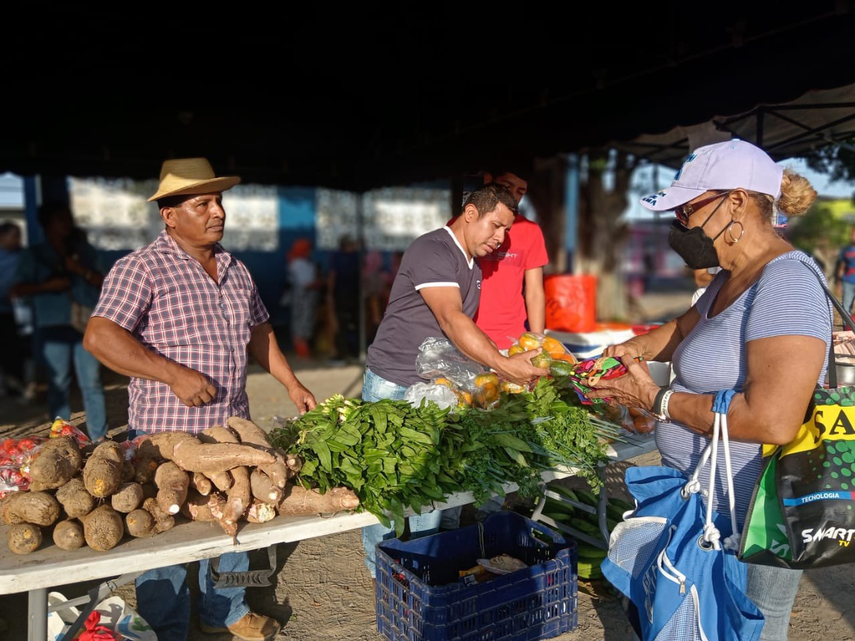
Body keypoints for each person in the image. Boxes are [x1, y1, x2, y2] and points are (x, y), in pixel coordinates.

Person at [588, 140, 827, 641]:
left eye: (689, 207)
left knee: (744, 629)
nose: (680, 222)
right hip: (704, 502)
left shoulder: (787, 282)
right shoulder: (731, 278)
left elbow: (773, 420)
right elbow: (680, 334)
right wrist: (621, 355)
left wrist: (656, 401)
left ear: (736, 202)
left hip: (752, 523)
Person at [83, 157, 317, 641]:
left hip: (232, 428)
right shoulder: (141, 268)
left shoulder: (235, 267)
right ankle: (167, 627)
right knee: (166, 530)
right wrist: (171, 374)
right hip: (169, 436)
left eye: (219, 201)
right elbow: (100, 337)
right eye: (202, 203)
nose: (218, 212)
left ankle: (224, 612)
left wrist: (292, 383)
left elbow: (260, 331)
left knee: (233, 519)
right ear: (169, 214)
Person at [360, 183, 548, 578]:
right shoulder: (433, 250)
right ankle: (382, 574)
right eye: (495, 227)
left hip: (432, 389)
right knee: (385, 486)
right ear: (470, 214)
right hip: (394, 383)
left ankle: (421, 568)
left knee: (429, 485)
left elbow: (454, 337)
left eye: (505, 233)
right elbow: (450, 318)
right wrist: (500, 364)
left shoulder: (472, 265)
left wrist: (497, 366)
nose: (500, 239)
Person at [12, 203, 108, 440]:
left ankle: (100, 438)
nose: (66, 223)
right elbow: (17, 289)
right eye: (60, 219)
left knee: (92, 383)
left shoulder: (84, 251)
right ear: (47, 225)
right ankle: (63, 439)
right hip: (53, 327)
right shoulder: (34, 254)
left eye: (68, 219)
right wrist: (47, 286)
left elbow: (104, 282)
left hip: (87, 325)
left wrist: (79, 270)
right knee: (58, 384)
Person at [468, 168, 548, 349]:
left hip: (511, 341)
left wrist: (538, 343)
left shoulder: (530, 231)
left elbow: (535, 292)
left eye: (520, 192)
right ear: (488, 180)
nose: (511, 195)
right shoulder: (465, 224)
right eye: (506, 186)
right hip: (468, 338)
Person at [327, 235, 360, 363]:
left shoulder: (355, 256)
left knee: (352, 324)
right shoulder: (338, 257)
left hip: (353, 295)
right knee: (341, 324)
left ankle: (353, 353)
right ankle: (342, 354)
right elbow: (332, 276)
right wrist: (330, 294)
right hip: (341, 295)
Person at [0, 222, 24, 397]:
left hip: (9, 311)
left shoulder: (22, 255)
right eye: (14, 235)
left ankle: (13, 386)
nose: (18, 239)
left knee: (12, 350)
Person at [285, 238, 320, 358]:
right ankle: (302, 352)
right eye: (308, 249)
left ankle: (304, 351)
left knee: (306, 323)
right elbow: (306, 283)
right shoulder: (297, 263)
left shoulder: (305, 263)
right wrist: (320, 282)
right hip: (302, 298)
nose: (310, 252)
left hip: (307, 299)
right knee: (301, 325)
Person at [836, 227, 855, 315]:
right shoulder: (846, 250)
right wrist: (839, 285)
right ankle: (847, 327)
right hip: (848, 282)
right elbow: (842, 267)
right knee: (846, 307)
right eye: (853, 234)